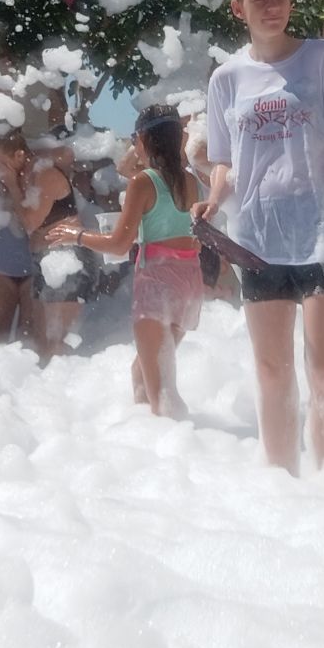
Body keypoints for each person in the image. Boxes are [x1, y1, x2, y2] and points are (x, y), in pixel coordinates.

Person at [193, 0, 324, 475]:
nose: (273, 7)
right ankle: (280, 485)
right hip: (257, 232)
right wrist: (212, 199)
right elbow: (226, 163)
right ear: (238, 9)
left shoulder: (321, 59)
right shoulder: (227, 79)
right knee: (272, 369)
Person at [50, 104, 203, 416]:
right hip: (189, 282)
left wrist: (75, 235)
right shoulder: (191, 182)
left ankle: (173, 451)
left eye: (136, 139)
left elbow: (119, 245)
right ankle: (155, 441)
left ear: (144, 139)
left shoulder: (143, 182)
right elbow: (126, 167)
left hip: (158, 283)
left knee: (160, 390)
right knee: (143, 374)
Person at [20, 139, 89, 363]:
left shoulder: (47, 174)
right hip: (50, 258)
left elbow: (30, 223)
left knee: (55, 341)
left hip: (64, 259)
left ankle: (65, 393)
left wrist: (12, 184)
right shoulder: (33, 176)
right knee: (42, 340)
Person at [0, 132, 37, 346]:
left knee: (29, 338)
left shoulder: (36, 179)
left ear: (20, 156)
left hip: (33, 266)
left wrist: (14, 185)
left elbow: (29, 224)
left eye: (1, 163)